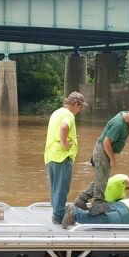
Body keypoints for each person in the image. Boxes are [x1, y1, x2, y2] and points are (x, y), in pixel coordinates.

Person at [44, 92, 87, 224]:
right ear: (75, 104)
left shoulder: (57, 112)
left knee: (55, 188)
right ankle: (58, 216)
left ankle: (56, 214)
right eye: (80, 107)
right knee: (61, 188)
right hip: (62, 157)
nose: (80, 110)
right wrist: (63, 143)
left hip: (50, 155)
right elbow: (64, 127)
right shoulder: (68, 115)